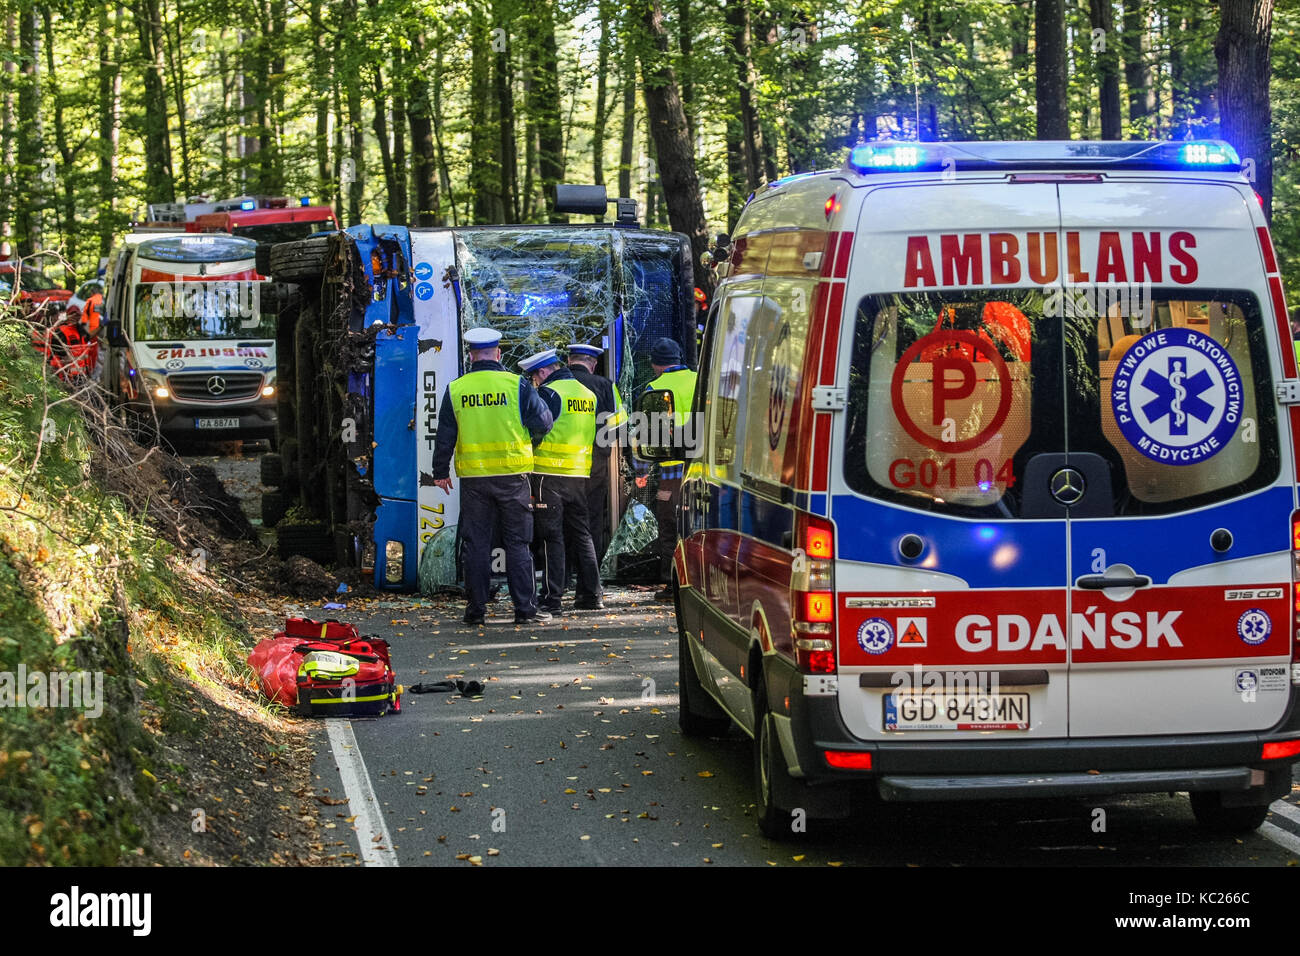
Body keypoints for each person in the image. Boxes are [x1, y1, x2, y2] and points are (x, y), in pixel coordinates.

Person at [430, 327, 554, 626]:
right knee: (517, 544)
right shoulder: (517, 385)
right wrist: (531, 440)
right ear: (498, 354)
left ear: (471, 355)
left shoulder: (457, 388)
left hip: (474, 480)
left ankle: (475, 611)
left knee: (477, 545)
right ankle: (525, 610)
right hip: (512, 476)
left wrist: (439, 471)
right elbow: (544, 422)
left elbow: (445, 433)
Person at [522, 348, 603, 613]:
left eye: (536, 377)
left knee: (550, 538)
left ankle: (552, 599)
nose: (535, 382)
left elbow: (536, 429)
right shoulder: (586, 395)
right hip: (579, 475)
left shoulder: (549, 393)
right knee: (582, 534)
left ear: (544, 371)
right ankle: (592, 595)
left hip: (549, 475)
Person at [566, 342, 627, 593]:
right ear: (592, 364)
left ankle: (561, 579)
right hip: (594, 466)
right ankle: (588, 583)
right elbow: (620, 426)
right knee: (590, 524)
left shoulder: (555, 385)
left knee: (561, 524)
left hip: (560, 468)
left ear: (569, 361)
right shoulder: (605, 386)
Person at [643, 337, 697, 601]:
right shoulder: (699, 380)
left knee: (669, 528)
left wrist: (640, 467)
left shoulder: (654, 388)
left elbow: (648, 435)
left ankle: (670, 584)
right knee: (698, 528)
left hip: (671, 472)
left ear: (657, 365)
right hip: (700, 468)